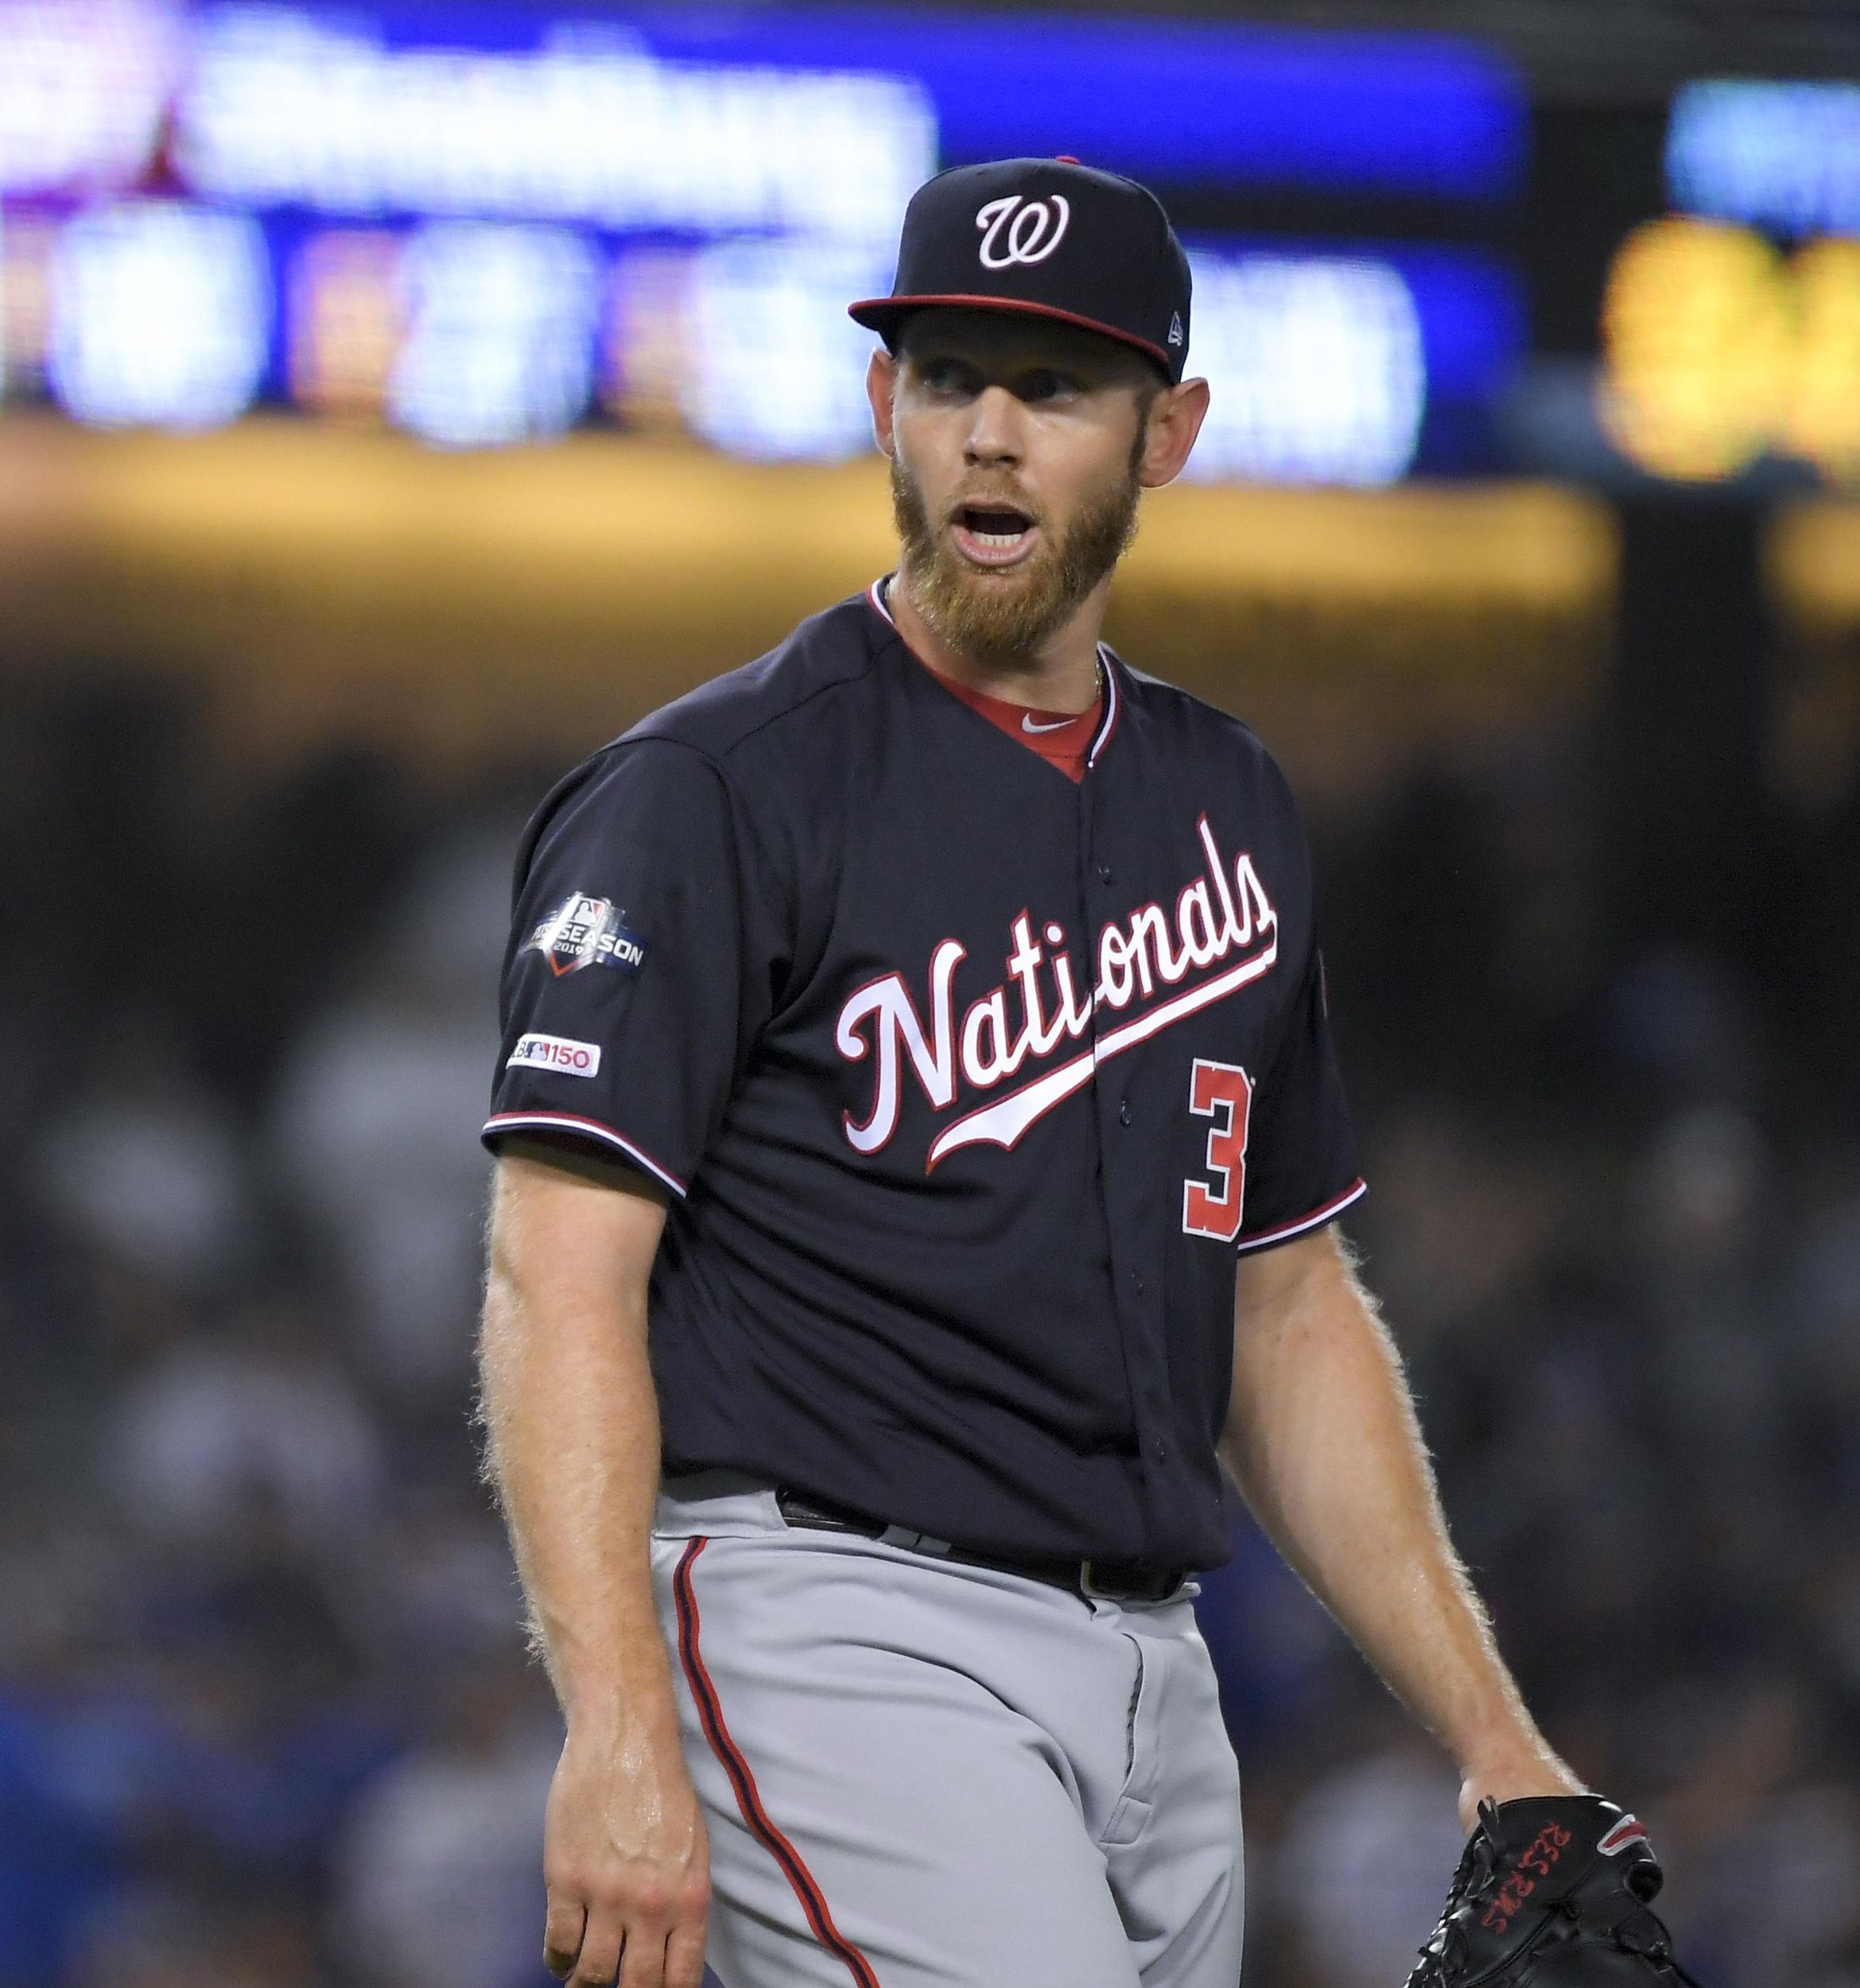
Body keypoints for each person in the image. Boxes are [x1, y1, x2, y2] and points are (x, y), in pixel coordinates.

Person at [476, 157, 1579, 1988]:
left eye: (1052, 388)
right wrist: (611, 1723)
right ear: (878, 405)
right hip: (825, 1618)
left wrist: (1494, 1737)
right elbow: (554, 1271)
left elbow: (1287, 1303)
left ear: (1167, 430)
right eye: (943, 377)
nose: (986, 435)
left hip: (1157, 1669)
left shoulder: (1224, 801)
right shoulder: (719, 788)